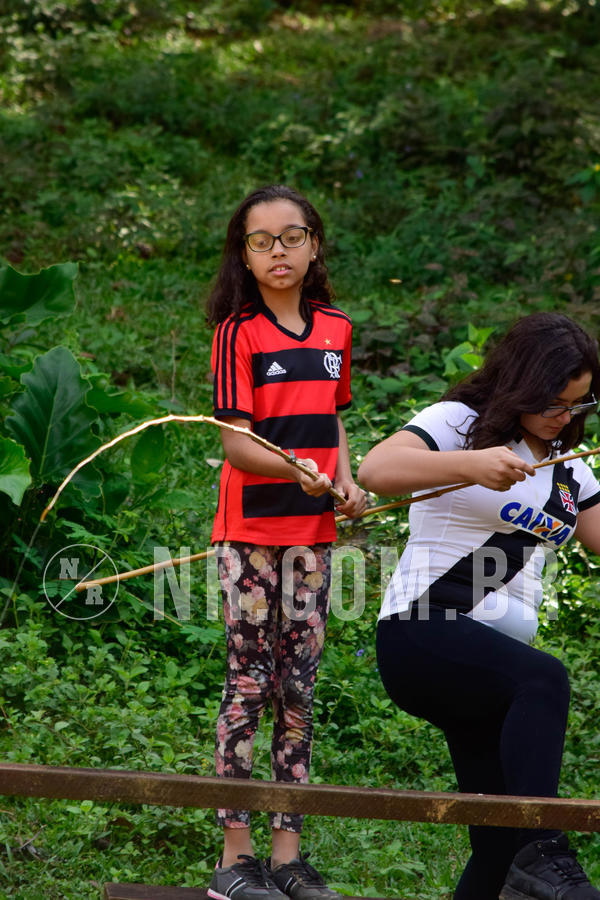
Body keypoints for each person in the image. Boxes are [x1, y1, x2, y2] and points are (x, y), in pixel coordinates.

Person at [358, 312, 600, 900]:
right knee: (545, 680)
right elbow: (376, 469)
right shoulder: (459, 424)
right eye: (552, 404)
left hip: (489, 671)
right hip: (423, 632)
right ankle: (546, 848)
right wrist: (472, 464)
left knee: (495, 847)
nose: (563, 418)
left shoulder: (571, 471)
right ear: (520, 382)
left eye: (577, 405)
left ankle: (525, 853)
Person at [205, 184, 366, 900]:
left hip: (314, 532)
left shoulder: (336, 327)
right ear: (244, 253)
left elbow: (332, 422)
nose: (279, 251)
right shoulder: (237, 332)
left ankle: (287, 856)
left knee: (299, 687)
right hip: (250, 532)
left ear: (314, 243)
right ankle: (234, 860)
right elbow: (236, 445)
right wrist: (297, 470)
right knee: (247, 684)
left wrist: (348, 479)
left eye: (291, 236)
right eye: (262, 240)